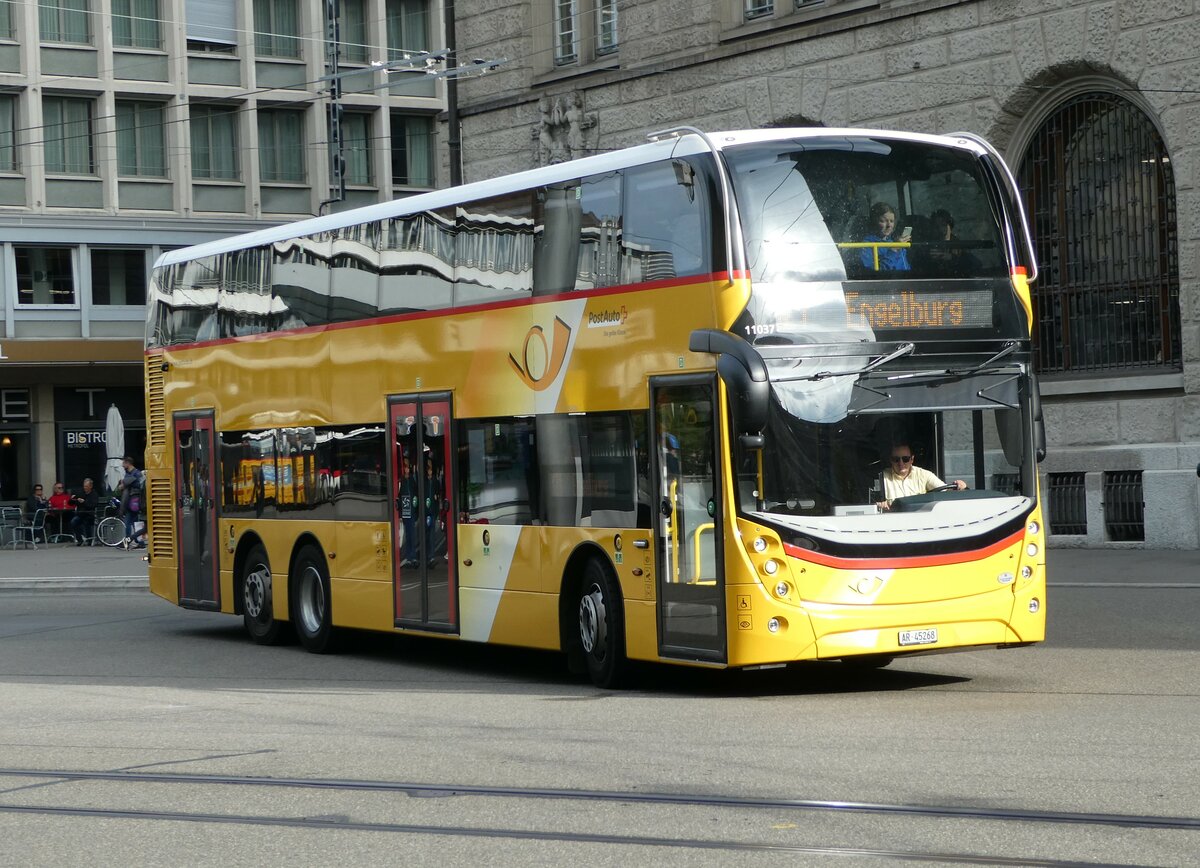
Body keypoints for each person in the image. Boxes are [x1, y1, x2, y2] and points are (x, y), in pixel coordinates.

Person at [878, 442, 966, 511]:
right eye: (896, 459)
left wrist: (961, 486)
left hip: (921, 523)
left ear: (912, 459)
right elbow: (870, 503)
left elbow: (945, 492)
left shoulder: (924, 475)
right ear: (891, 460)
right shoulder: (881, 478)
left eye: (905, 459)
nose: (901, 463)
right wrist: (880, 505)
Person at [926, 208, 980, 276]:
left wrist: (951, 258)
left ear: (950, 227)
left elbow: (976, 264)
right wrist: (929, 259)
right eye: (936, 226)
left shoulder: (957, 245)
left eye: (943, 225)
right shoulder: (926, 245)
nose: (940, 229)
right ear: (932, 228)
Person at [860, 201, 911, 272]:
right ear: (873, 222)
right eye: (883, 221)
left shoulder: (895, 242)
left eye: (892, 221)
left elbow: (906, 268)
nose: (889, 225)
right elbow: (875, 274)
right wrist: (894, 250)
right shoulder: (866, 246)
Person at [118, 457, 146, 546]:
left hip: (135, 501)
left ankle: (128, 542)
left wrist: (128, 482)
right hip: (130, 502)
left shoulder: (136, 473)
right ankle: (140, 543)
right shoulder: (129, 473)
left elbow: (141, 485)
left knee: (130, 523)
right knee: (136, 523)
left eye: (123, 463)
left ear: (128, 463)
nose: (122, 465)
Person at [69, 477, 98, 545]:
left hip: (90, 514)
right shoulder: (80, 492)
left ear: (91, 486)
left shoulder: (94, 494)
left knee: (87, 522)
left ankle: (89, 540)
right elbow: (70, 503)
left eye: (87, 486)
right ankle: (79, 539)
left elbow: (93, 505)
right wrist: (71, 499)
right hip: (80, 514)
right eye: (84, 486)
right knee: (73, 522)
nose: (85, 488)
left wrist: (84, 502)